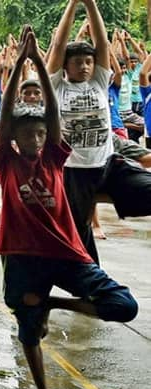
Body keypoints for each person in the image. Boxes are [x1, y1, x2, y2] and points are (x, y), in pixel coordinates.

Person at [0, 27, 138, 389]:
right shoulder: (7, 162)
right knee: (25, 325)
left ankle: (50, 303)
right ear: (15, 139)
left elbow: (53, 112)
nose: (35, 141)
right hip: (23, 258)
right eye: (28, 136)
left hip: (66, 254)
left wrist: (39, 62)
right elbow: (8, 114)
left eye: (41, 135)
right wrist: (21, 65)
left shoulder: (55, 158)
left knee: (124, 306)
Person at [47, 0, 151, 264]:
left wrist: (91, 4)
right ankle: (92, 281)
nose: (84, 66)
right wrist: (72, 4)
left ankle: (114, 198)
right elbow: (59, 46)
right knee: (79, 234)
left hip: (107, 163)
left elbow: (103, 44)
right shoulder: (57, 86)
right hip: (74, 172)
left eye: (88, 62)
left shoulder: (99, 82)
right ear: (65, 67)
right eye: (77, 62)